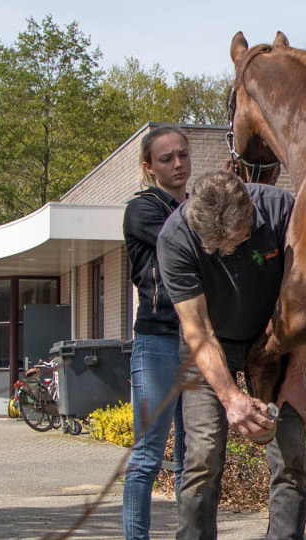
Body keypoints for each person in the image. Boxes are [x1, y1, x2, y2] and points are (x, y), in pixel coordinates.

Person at [158, 170, 306, 540]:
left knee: (290, 454)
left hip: (275, 339)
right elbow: (198, 329)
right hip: (210, 346)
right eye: (218, 247)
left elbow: (304, 303)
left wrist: (296, 377)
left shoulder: (282, 212)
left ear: (250, 210)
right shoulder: (175, 238)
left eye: (237, 240)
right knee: (203, 456)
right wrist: (230, 398)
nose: (229, 250)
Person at [121, 126, 192, 540]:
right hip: (158, 341)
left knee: (192, 457)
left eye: (183, 155)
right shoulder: (143, 210)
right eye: (167, 159)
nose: (178, 163)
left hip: (198, 343)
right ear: (149, 167)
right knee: (147, 455)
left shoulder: (197, 204)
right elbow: (185, 239)